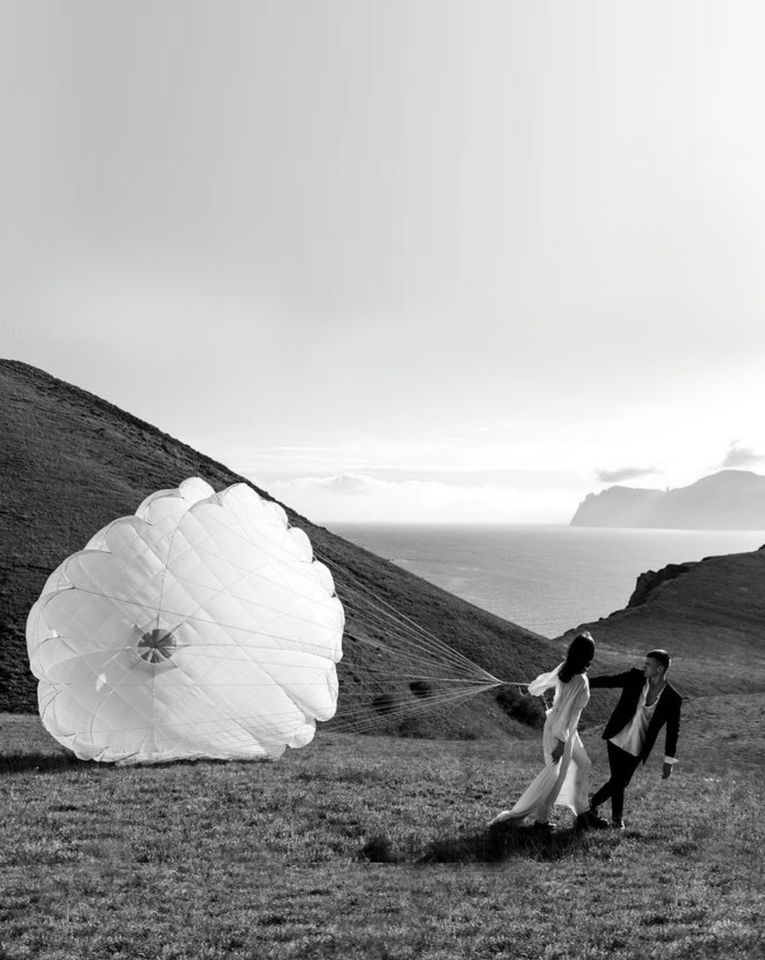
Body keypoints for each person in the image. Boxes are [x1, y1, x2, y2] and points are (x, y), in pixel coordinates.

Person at [489, 632, 596, 833]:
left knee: (584, 764)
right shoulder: (580, 680)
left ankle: (583, 812)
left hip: (562, 728)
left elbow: (546, 681)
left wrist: (533, 690)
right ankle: (541, 821)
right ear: (589, 655)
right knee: (556, 777)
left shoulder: (566, 669)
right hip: (561, 732)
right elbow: (566, 714)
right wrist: (562, 743)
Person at [586, 649, 682, 830]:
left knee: (621, 780)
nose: (644, 667)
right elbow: (609, 681)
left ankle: (592, 804)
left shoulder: (672, 699)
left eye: (648, 664)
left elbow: (672, 731)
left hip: (639, 744)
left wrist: (668, 760)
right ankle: (616, 820)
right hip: (617, 736)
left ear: (659, 669)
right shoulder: (634, 677)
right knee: (619, 780)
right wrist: (583, 682)